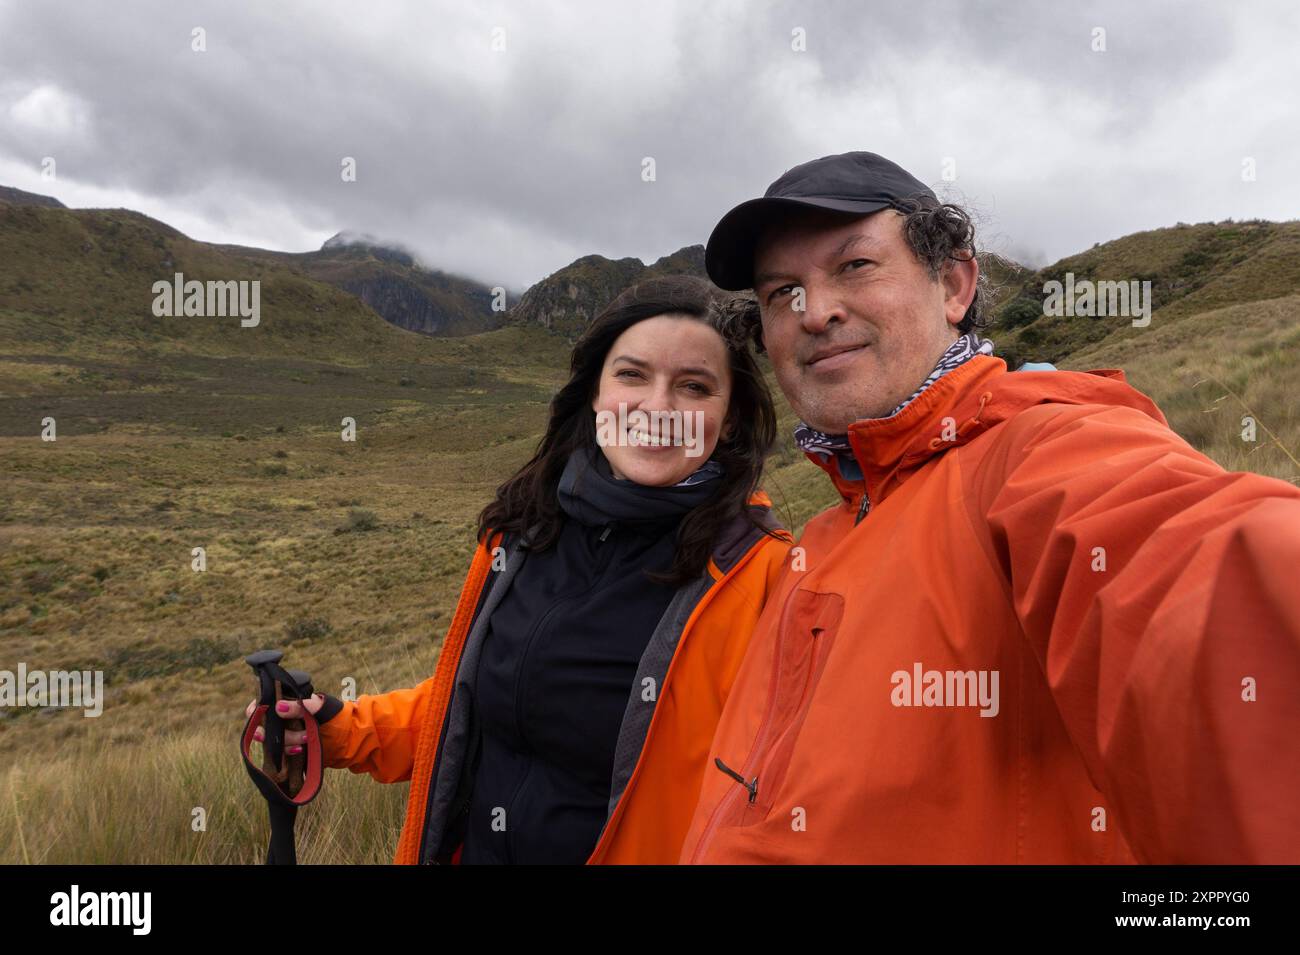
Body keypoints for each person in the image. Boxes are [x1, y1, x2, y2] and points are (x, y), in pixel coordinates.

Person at [679, 150, 1300, 864]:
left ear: (953, 282)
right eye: (783, 291)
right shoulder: (812, 542)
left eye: (854, 266)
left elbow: (1197, 571)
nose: (814, 311)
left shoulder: (1040, 448)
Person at [244, 275, 791, 864]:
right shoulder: (526, 533)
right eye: (632, 375)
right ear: (595, 394)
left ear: (730, 417)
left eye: (694, 386)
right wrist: (340, 727)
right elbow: (470, 710)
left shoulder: (764, 578)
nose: (658, 408)